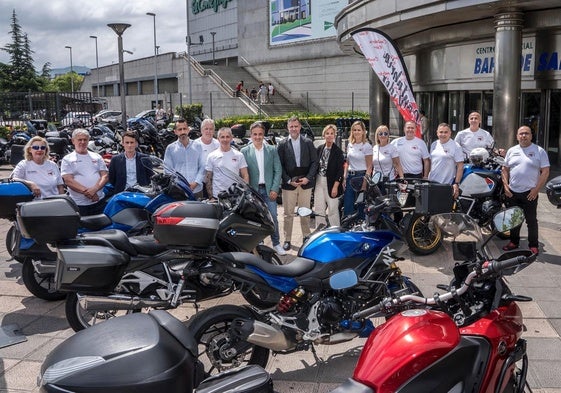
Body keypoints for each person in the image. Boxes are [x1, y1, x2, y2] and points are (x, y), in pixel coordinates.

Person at [502, 126, 550, 255]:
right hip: (512, 192)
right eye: (521, 134)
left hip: (530, 193)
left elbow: (545, 171)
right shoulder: (512, 151)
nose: (524, 136)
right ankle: (513, 242)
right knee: (514, 219)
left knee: (531, 220)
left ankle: (533, 245)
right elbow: (505, 169)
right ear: (517, 136)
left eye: (526, 133)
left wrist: (536, 190)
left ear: (531, 136)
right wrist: (506, 186)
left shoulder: (539, 151)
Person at [241, 121, 285, 255]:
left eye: (260, 134)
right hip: (253, 191)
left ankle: (276, 243)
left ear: (264, 134)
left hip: (268, 190)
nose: (258, 137)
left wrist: (274, 189)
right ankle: (258, 244)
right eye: (255, 134)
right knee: (256, 219)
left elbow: (278, 170)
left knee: (273, 217)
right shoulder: (244, 151)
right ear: (251, 135)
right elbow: (243, 173)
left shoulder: (272, 150)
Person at [277, 115, 318, 251]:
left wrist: (308, 178)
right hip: (289, 184)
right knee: (288, 213)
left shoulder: (308, 142)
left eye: (296, 126)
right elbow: (279, 165)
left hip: (305, 183)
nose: (294, 129)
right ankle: (287, 239)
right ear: (288, 128)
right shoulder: (282, 144)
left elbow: (314, 162)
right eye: (291, 126)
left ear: (300, 127)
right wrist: (288, 180)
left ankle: (307, 236)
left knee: (304, 211)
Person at [61, 129, 109, 216]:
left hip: (99, 202)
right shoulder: (67, 159)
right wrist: (89, 193)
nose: (82, 142)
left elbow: (104, 176)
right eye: (79, 140)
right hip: (79, 205)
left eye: (85, 139)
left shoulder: (97, 156)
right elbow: (68, 181)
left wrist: (94, 189)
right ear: (73, 141)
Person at [163, 118, 205, 198]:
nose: (182, 132)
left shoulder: (198, 146)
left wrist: (196, 183)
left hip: (196, 190)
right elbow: (167, 170)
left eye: (184, 129)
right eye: (180, 129)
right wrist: (180, 185)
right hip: (178, 191)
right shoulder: (170, 149)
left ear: (188, 130)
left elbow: (202, 167)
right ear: (175, 132)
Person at [205, 127, 249, 199]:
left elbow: (245, 175)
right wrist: (211, 197)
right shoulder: (211, 156)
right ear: (218, 139)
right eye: (222, 137)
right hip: (218, 196)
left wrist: (244, 193)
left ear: (231, 138)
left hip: (235, 196)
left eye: (227, 137)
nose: (225, 139)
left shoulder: (239, 155)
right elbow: (208, 178)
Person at [314, 124, 345, 227]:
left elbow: (340, 171)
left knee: (332, 208)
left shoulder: (338, 152)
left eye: (332, 133)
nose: (329, 135)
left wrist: (335, 186)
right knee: (319, 208)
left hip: (332, 182)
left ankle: (335, 230)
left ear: (334, 136)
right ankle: (320, 229)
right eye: (327, 133)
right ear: (324, 135)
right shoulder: (319, 149)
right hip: (319, 181)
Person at [108, 130, 153, 194]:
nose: (129, 145)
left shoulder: (145, 158)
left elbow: (150, 176)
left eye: (132, 142)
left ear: (136, 144)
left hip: (141, 193)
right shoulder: (115, 160)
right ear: (122, 143)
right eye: (127, 142)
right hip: (122, 193)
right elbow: (112, 179)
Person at [343, 120, 372, 217]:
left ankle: (361, 227)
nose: (356, 132)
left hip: (361, 177)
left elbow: (369, 166)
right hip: (350, 177)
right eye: (354, 130)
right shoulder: (350, 144)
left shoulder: (367, 146)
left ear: (363, 131)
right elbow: (347, 162)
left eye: (359, 130)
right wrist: (344, 176)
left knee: (361, 204)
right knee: (348, 205)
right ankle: (348, 227)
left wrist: (365, 182)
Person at [428, 123, 464, 199]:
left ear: (450, 133)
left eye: (445, 132)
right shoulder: (434, 144)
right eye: (441, 132)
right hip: (432, 182)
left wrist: (456, 183)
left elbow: (460, 166)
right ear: (437, 133)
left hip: (446, 184)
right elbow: (431, 162)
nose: (443, 134)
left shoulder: (456, 146)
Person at [372, 125, 405, 194]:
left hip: (388, 180)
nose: (383, 135)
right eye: (380, 133)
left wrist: (402, 178)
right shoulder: (374, 148)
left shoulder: (392, 148)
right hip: (375, 181)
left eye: (385, 133)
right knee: (376, 203)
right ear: (377, 136)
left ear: (388, 136)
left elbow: (397, 164)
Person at [193, 118, 220, 198]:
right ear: (201, 130)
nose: (208, 131)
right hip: (199, 184)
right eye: (206, 129)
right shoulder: (194, 144)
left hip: (214, 183)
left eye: (211, 129)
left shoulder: (218, 144)